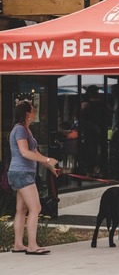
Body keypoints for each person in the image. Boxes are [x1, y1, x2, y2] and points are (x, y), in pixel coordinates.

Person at [8, 100, 59, 255]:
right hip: (22, 173)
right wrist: (47, 159)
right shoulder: (20, 130)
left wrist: (50, 167)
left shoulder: (26, 130)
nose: (35, 112)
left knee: (21, 209)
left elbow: (35, 153)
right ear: (27, 114)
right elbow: (24, 152)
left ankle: (18, 244)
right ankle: (32, 246)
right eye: (33, 110)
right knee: (36, 208)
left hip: (20, 173)